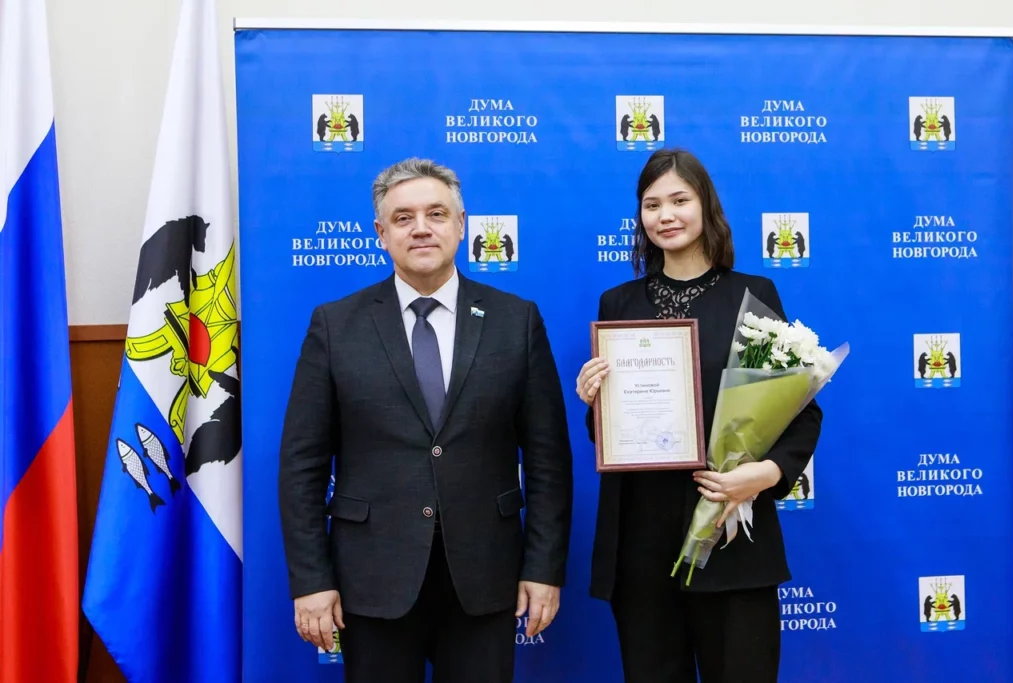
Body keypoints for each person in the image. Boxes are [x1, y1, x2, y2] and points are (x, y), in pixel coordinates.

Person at [278, 157, 574, 683]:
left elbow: (549, 459)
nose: (421, 228)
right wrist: (310, 579)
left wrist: (543, 568)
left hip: (486, 576)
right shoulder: (335, 325)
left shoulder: (516, 320)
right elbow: (302, 464)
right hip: (371, 579)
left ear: (462, 226)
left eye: (437, 214)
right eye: (403, 217)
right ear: (380, 233)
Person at [575, 148, 822, 683]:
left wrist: (766, 474)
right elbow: (609, 434)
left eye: (679, 200)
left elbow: (799, 412)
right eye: (651, 204)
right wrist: (596, 404)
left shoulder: (752, 296)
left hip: (731, 535)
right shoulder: (617, 303)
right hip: (640, 545)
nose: (665, 215)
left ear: (706, 206)